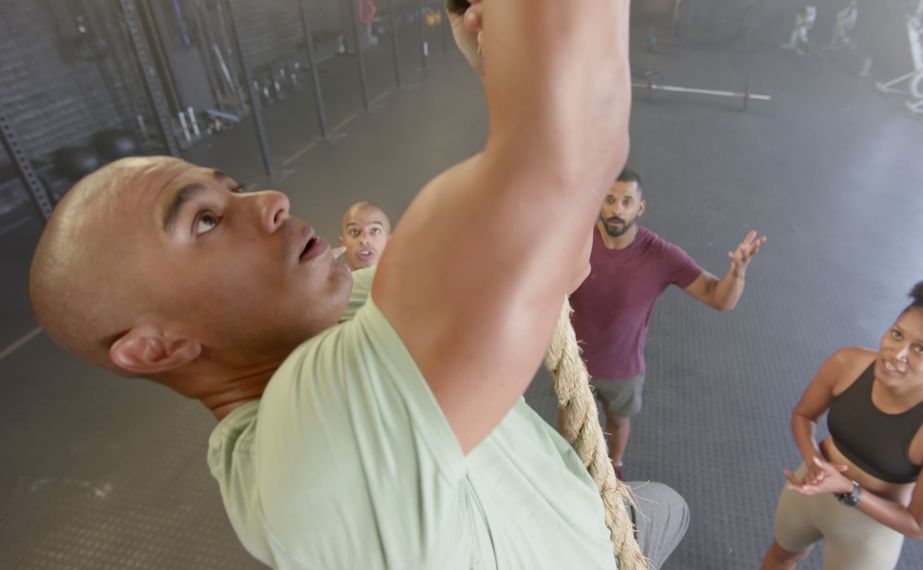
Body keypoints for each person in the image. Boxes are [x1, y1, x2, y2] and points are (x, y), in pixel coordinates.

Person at [29, 0, 690, 567]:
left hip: (585, 518)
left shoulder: (320, 315)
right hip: (588, 553)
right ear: (155, 348)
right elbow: (577, 152)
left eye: (231, 188)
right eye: (205, 222)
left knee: (669, 507)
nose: (271, 200)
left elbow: (558, 247)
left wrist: (513, 64)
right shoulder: (313, 452)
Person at [761, 274, 923, 570]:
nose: (896, 353)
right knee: (783, 556)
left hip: (867, 532)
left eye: (921, 349)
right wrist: (813, 462)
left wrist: (848, 489)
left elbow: (921, 525)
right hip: (808, 492)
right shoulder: (847, 363)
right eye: (897, 334)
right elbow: (803, 416)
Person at [567, 167, 766, 479]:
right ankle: (564, 466)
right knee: (569, 421)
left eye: (627, 201)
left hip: (623, 369)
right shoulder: (577, 240)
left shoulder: (659, 255)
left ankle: (615, 466)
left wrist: (738, 273)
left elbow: (718, 297)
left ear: (640, 208)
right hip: (573, 361)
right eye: (610, 200)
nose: (617, 209)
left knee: (617, 421)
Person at [338, 201, 391, 270]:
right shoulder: (325, 280)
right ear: (342, 243)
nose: (364, 240)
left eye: (375, 230)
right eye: (354, 231)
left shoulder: (405, 279)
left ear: (390, 243)